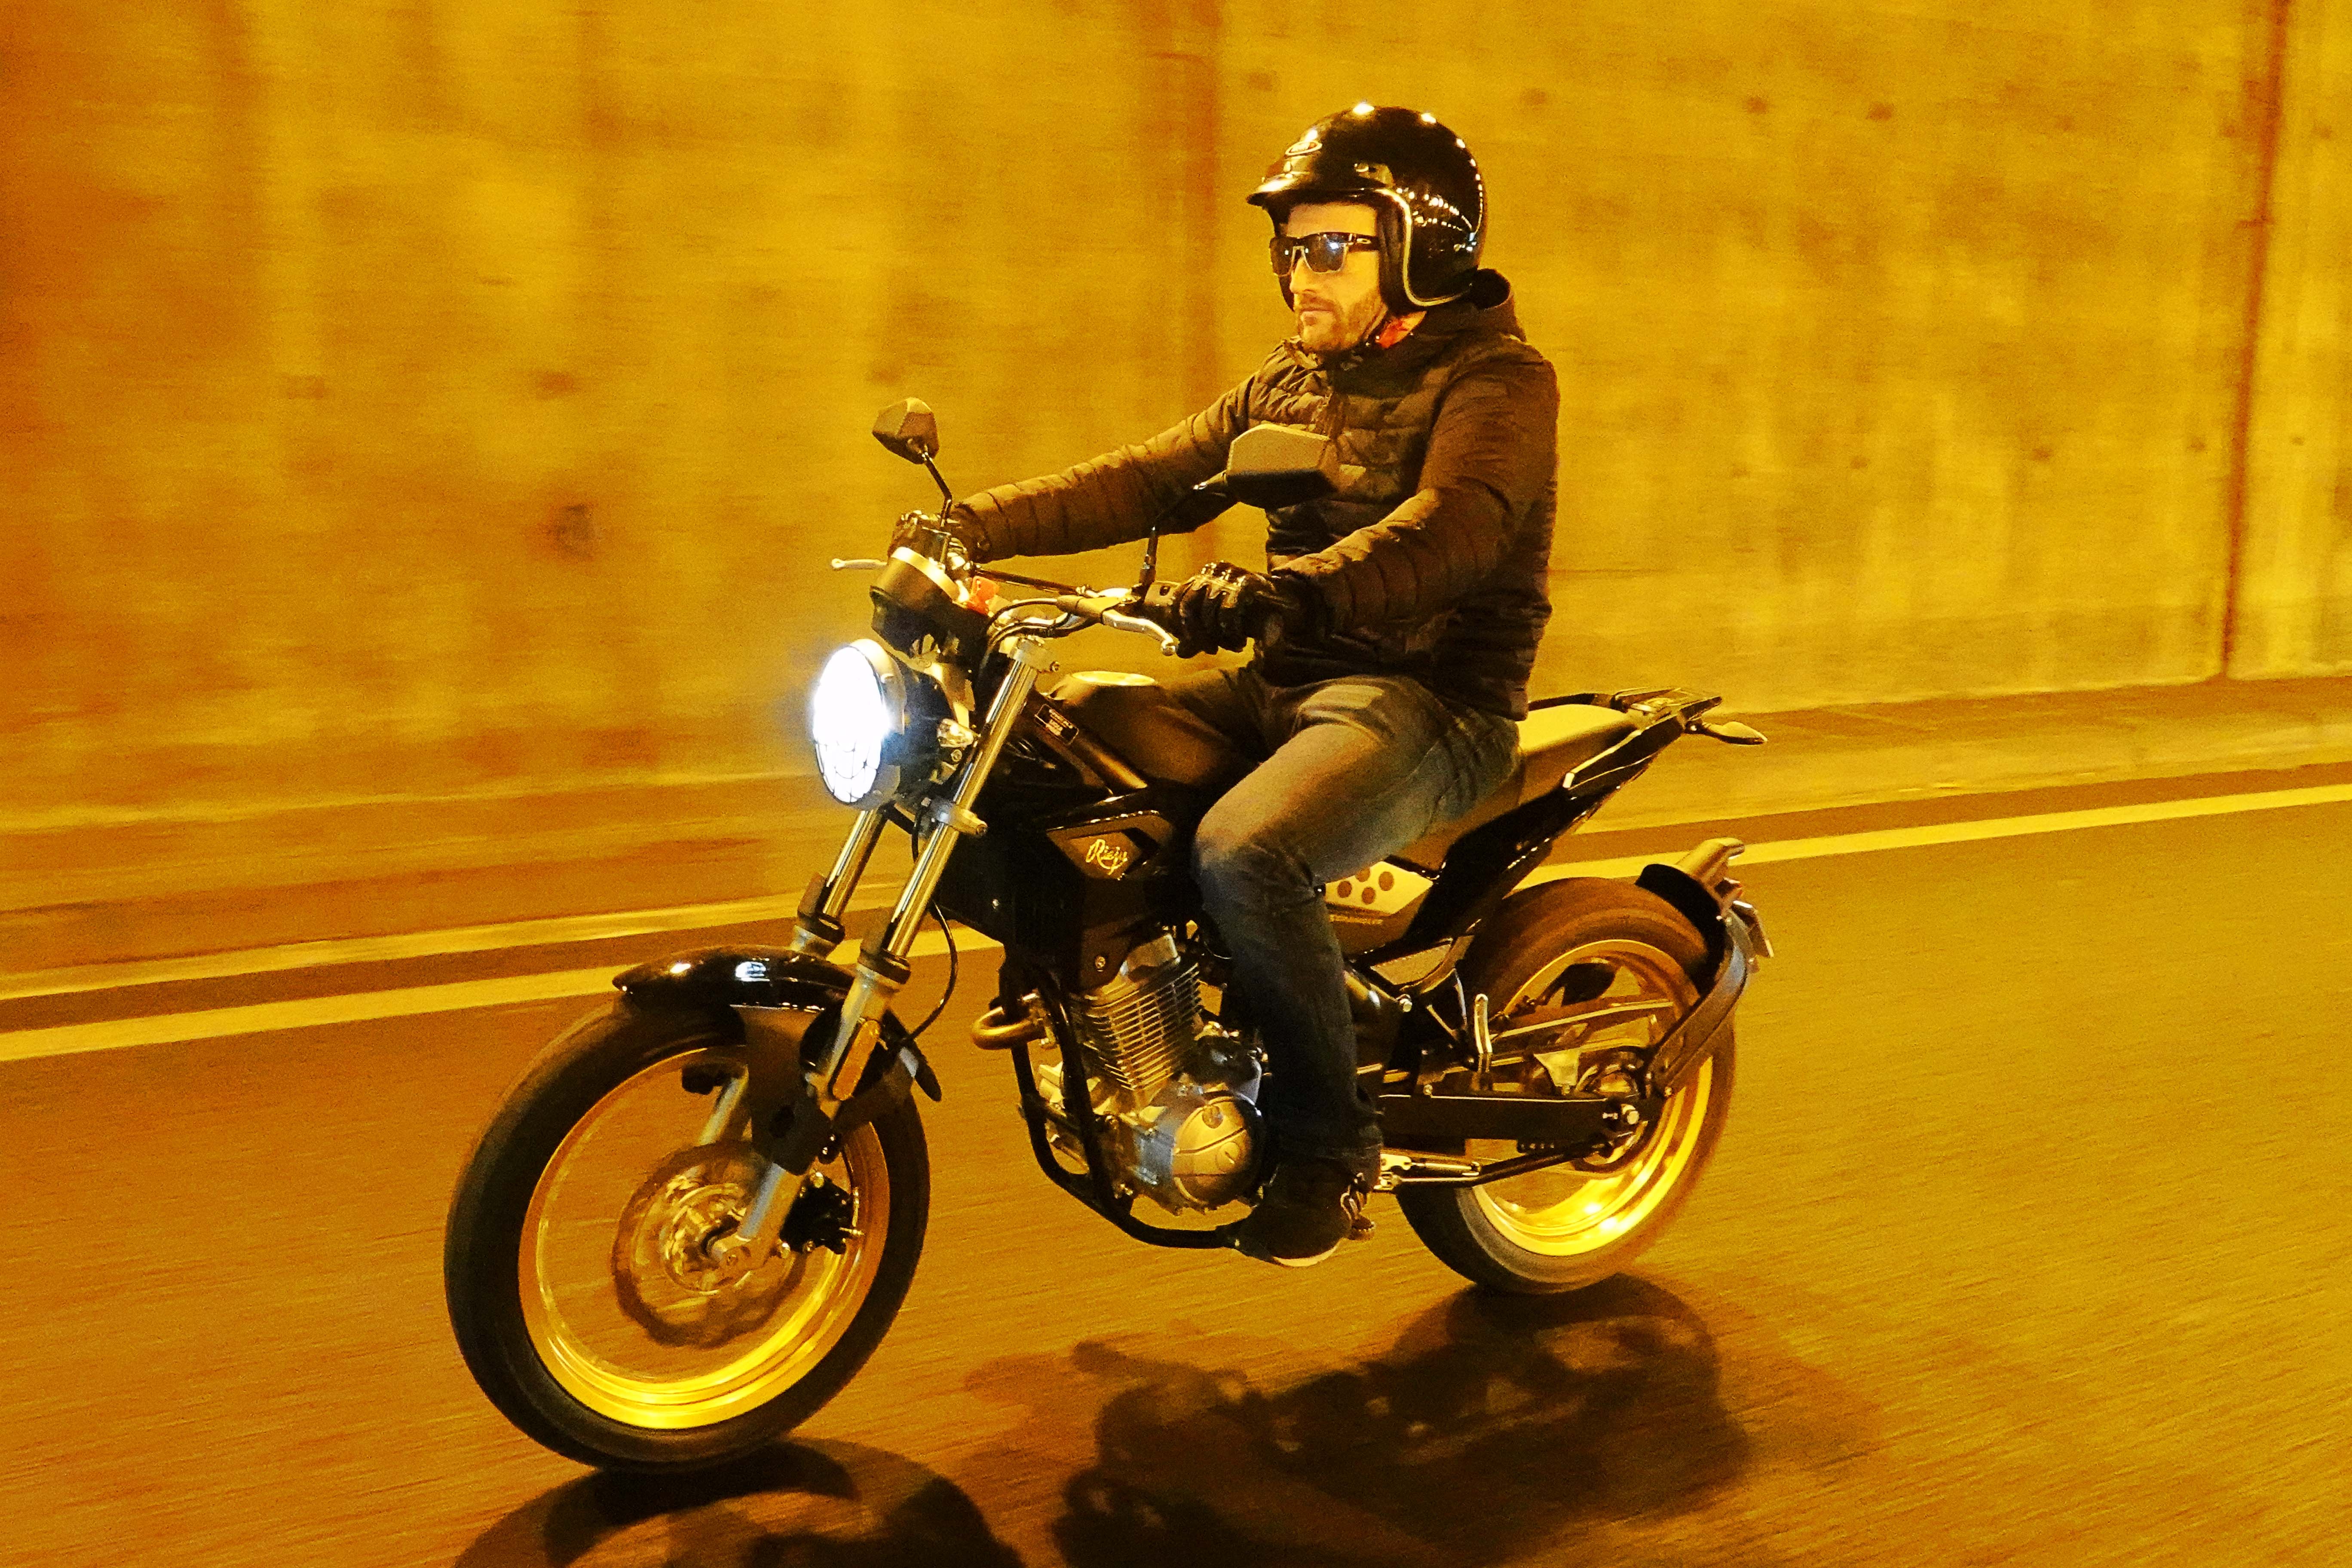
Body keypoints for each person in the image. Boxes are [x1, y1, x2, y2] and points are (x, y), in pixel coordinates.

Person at [945, 104, 1559, 1265]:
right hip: (1287, 683)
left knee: (1246, 852)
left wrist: (1292, 593)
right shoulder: (1294, 380)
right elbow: (1150, 477)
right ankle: (1104, 994)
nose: (1299, 274)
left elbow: (1456, 530)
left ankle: (1332, 1152)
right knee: (1056, 736)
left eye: (1331, 247)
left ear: (1420, 248)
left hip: (1430, 701)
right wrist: (968, 526)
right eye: (1290, 249)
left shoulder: (1499, 383)